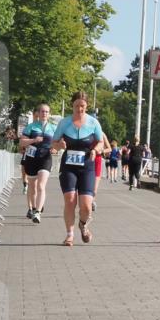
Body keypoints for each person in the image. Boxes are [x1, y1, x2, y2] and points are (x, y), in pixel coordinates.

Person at [51, 91, 105, 246]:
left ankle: (83, 224)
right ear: (72, 105)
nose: (80, 109)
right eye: (77, 106)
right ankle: (69, 235)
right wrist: (59, 145)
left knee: (86, 206)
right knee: (70, 200)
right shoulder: (64, 123)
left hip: (87, 166)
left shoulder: (93, 123)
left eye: (83, 106)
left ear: (86, 106)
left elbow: (101, 142)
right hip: (68, 166)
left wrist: (95, 150)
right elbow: (53, 142)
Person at [19, 103, 55, 223]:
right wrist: (33, 140)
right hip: (31, 159)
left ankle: (38, 212)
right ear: (38, 114)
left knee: (41, 185)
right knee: (32, 187)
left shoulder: (53, 128)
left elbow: (59, 143)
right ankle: (33, 208)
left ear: (49, 114)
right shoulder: (31, 127)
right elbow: (22, 143)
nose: (44, 113)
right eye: (42, 111)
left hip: (45, 158)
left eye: (46, 112)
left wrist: (56, 148)